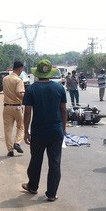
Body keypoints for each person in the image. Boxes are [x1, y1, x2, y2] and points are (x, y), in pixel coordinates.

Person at [21, 59, 67, 202]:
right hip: (55, 130)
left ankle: (33, 186)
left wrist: (26, 131)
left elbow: (27, 112)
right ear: (50, 74)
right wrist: (63, 128)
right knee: (55, 162)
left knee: (36, 159)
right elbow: (64, 110)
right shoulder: (59, 88)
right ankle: (52, 194)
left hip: (38, 131)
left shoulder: (31, 89)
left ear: (37, 74)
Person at [2, 61, 26, 157]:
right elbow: (19, 93)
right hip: (17, 107)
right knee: (21, 126)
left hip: (7, 107)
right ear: (20, 69)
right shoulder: (18, 80)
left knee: (7, 130)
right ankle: (17, 142)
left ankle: (10, 150)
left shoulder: (5, 79)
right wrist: (26, 99)